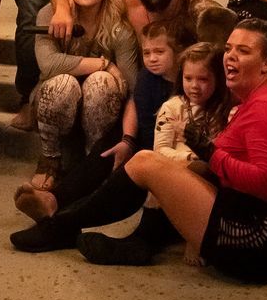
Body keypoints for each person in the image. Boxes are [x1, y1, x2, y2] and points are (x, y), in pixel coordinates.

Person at [117, 20, 267, 284]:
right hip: (257, 219)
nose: (231, 55)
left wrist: (210, 153)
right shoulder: (246, 99)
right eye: (229, 48)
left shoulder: (265, 107)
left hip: (263, 240)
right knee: (158, 163)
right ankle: (71, 220)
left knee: (146, 163)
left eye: (243, 50)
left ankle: (67, 223)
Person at [10, 17, 186, 252]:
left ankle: (61, 226)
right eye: (147, 52)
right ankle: (54, 199)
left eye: (160, 52)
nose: (152, 58)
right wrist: (127, 139)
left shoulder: (187, 82)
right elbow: (135, 102)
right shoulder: (149, 76)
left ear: (179, 52)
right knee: (107, 148)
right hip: (144, 140)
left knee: (124, 181)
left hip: (167, 154)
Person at [17, 0, 140, 220]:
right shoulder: (50, 13)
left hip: (103, 104)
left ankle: (94, 162)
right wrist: (104, 63)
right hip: (55, 98)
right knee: (63, 83)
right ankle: (50, 159)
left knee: (100, 83)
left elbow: (130, 84)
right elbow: (48, 65)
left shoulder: (119, 23)